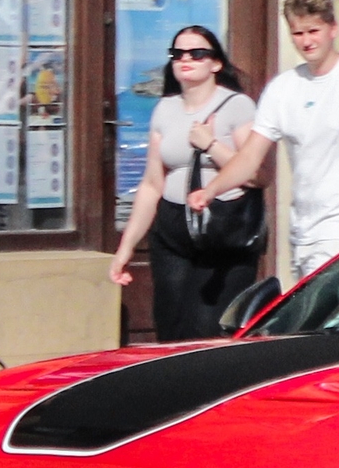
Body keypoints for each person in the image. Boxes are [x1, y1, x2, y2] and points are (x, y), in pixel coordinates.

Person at [189, 0, 339, 278]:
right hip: (303, 232)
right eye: (298, 33)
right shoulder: (283, 88)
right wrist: (211, 190)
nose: (306, 41)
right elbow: (250, 157)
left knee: (333, 320)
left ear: (333, 29)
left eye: (313, 31)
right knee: (313, 323)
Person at [106, 26, 262, 341]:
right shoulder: (165, 108)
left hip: (222, 227)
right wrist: (125, 248)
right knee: (171, 325)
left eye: (197, 53)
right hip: (173, 228)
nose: (185, 59)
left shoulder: (237, 105)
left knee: (209, 330)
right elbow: (152, 184)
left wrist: (211, 145)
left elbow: (257, 174)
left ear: (215, 63)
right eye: (178, 54)